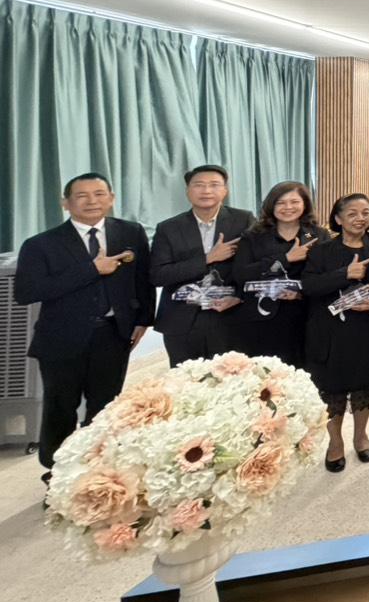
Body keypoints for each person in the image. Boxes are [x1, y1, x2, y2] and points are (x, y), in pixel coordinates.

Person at [17, 172, 153, 484]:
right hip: (61, 339)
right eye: (82, 195)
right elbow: (26, 292)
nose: (92, 201)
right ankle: (57, 474)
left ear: (112, 198)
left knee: (106, 406)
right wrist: (91, 269)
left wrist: (144, 319)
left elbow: (142, 279)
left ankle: (97, 471)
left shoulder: (130, 232)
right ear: (65, 203)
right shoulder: (41, 244)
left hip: (113, 334)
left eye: (99, 194)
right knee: (60, 407)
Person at [300, 194, 369, 471]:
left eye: (366, 212)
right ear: (338, 218)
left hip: (367, 330)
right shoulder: (322, 251)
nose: (360, 218)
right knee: (331, 390)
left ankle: (360, 436)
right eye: (352, 213)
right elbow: (309, 287)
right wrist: (344, 274)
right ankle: (335, 442)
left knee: (365, 386)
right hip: (330, 332)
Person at [149, 164, 253, 366]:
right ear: (188, 191)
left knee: (232, 378)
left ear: (225, 190)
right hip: (182, 320)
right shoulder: (168, 228)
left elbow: (254, 265)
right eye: (199, 185)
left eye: (214, 185)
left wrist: (239, 296)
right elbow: (158, 275)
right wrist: (207, 258)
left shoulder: (243, 220)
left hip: (230, 316)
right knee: (185, 380)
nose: (206, 190)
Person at [231, 181, 327, 365]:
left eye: (294, 202)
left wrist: (300, 293)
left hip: (304, 316)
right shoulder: (253, 236)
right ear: (271, 205)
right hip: (261, 318)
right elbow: (241, 274)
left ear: (305, 204)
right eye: (281, 203)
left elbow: (324, 277)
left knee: (302, 372)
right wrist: (285, 258)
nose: (288, 207)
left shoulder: (317, 235)